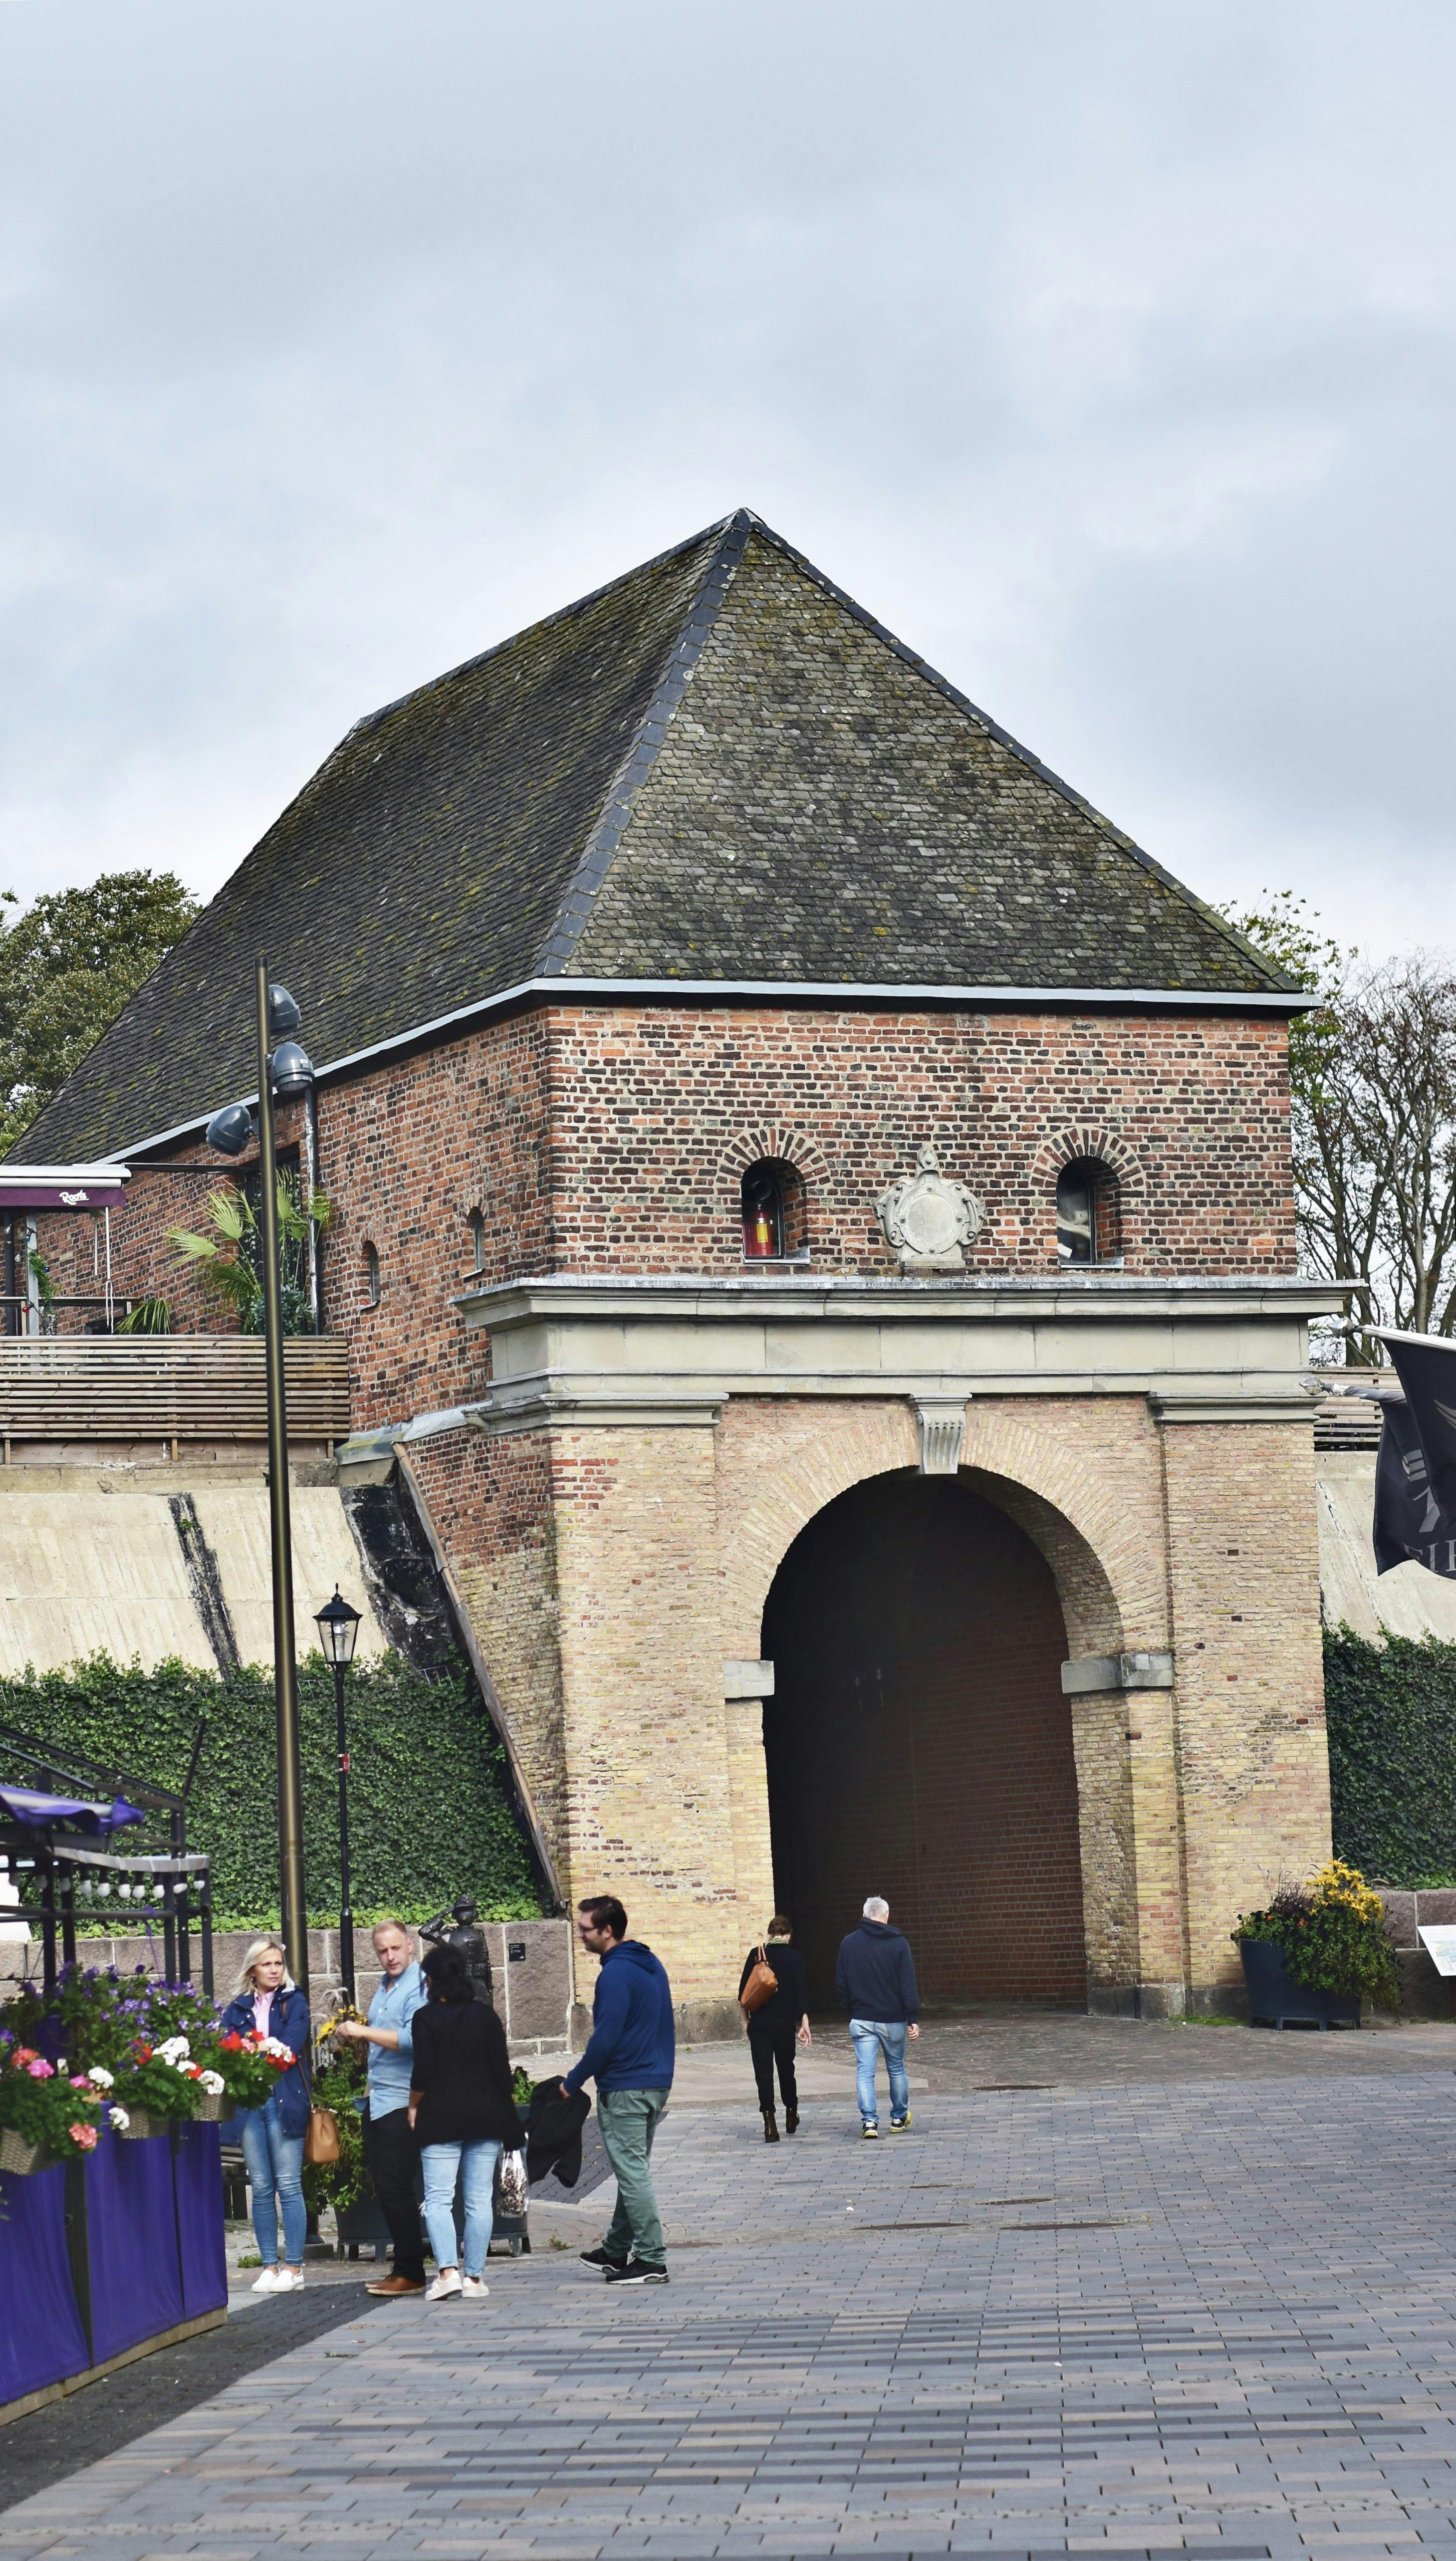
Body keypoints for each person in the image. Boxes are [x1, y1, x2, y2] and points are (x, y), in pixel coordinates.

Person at [561, 1894, 673, 2285]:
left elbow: (605, 2038)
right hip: (655, 2081)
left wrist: (572, 2081)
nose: (580, 1935)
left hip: (626, 2084)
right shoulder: (650, 1963)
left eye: (585, 1929)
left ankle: (651, 2258)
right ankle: (615, 2249)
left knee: (632, 2173)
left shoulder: (614, 1975)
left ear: (607, 1931)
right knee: (634, 2169)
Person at [408, 1942, 520, 2303]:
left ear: (431, 1980)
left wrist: (413, 2107)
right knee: (478, 2200)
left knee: (439, 2198)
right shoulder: (485, 2016)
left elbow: (423, 2073)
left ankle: (447, 2272)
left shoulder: (425, 2019)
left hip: (440, 2116)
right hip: (486, 2117)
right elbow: (502, 2072)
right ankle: (474, 2276)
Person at [335, 1917, 428, 2296]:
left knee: (396, 2184)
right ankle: (404, 2265)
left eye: (395, 1947)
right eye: (382, 1950)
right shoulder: (386, 1984)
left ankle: (412, 2270)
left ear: (410, 1945)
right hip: (379, 2096)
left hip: (404, 2100)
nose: (390, 1956)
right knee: (386, 2185)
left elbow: (413, 2039)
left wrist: (362, 2031)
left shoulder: (418, 1984)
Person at [218, 1939, 311, 2293]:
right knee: (260, 2187)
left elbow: (290, 2046)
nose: (274, 1969)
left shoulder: (294, 2001)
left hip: (285, 2099)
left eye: (278, 1963)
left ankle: (295, 2265)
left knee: (288, 2184)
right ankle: (269, 2264)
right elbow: (229, 2049)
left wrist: (254, 2048)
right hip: (250, 2103)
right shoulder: (238, 2007)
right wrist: (260, 2048)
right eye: (267, 1963)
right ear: (252, 1969)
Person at [835, 1895, 920, 2138]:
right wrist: (912, 2016)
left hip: (862, 2017)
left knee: (865, 2071)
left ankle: (870, 2122)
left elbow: (842, 1983)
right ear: (886, 1916)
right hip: (893, 2018)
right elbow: (908, 1984)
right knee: (896, 2068)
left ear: (864, 1916)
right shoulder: (899, 1944)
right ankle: (898, 2117)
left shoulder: (848, 1944)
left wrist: (852, 2009)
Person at [738, 1915, 810, 2142]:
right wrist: (804, 2023)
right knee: (786, 2069)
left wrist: (746, 2022)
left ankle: (770, 2124)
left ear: (770, 1934)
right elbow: (801, 1995)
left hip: (760, 2023)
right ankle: (791, 2113)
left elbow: (743, 1993)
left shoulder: (756, 1955)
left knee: (764, 2073)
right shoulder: (795, 1958)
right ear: (788, 1936)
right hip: (784, 2024)